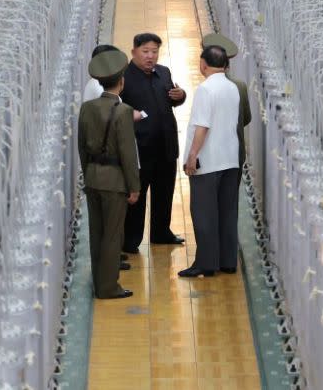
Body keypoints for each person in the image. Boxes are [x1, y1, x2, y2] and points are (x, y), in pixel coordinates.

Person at [77, 50, 140, 299]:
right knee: (113, 236)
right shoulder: (123, 111)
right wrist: (133, 186)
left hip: (93, 177)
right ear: (121, 82)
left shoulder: (87, 108)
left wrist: (88, 172)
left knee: (97, 233)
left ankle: (98, 281)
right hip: (115, 182)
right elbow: (127, 152)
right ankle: (108, 286)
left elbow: (82, 147)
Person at [119, 33, 187, 253]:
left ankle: (161, 232)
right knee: (136, 197)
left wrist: (180, 96)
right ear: (134, 52)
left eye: (154, 51)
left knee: (164, 192)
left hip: (165, 146)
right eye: (145, 51)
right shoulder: (124, 78)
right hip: (140, 148)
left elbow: (171, 100)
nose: (150, 56)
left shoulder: (163, 72)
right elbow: (116, 108)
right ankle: (131, 240)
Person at [179, 45, 241, 278]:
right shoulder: (232, 87)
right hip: (230, 158)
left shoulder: (205, 89)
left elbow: (202, 126)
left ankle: (206, 263)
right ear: (225, 64)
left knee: (204, 213)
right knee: (227, 211)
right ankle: (227, 261)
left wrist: (192, 156)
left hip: (209, 160)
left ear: (203, 64)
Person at [201, 33, 252, 169]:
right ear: (227, 64)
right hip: (234, 155)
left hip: (211, 158)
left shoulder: (205, 89)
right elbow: (246, 119)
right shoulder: (240, 86)